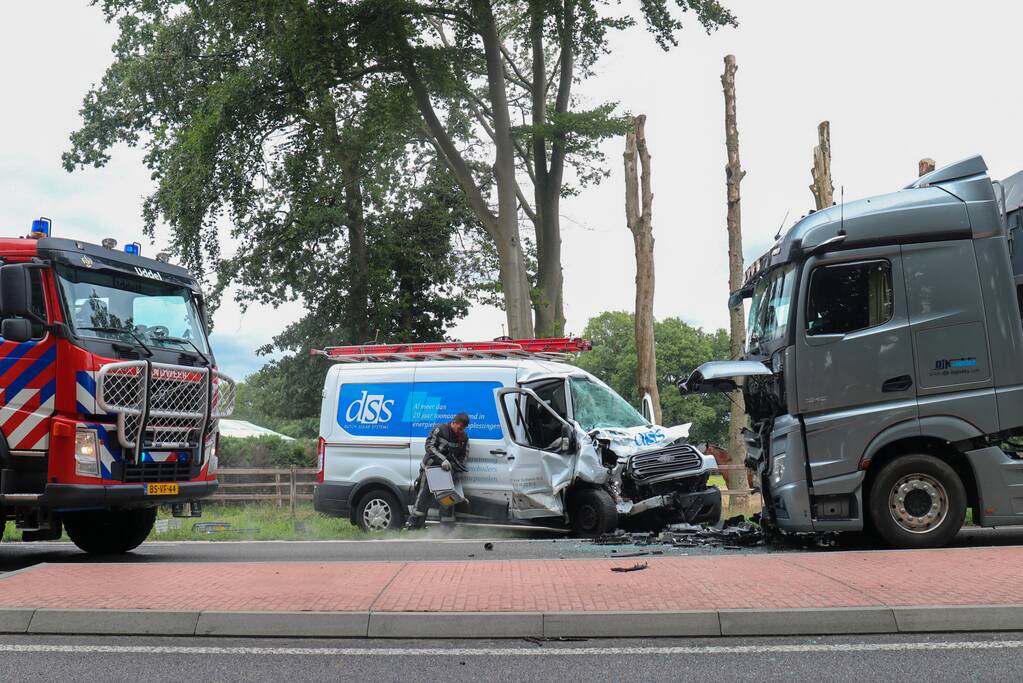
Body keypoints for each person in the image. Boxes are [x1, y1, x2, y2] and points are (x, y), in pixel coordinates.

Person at [405, 413, 470, 530]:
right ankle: (414, 525)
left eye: (463, 429)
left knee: (447, 500)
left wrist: (456, 470)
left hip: (446, 473)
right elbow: (429, 446)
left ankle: (446, 528)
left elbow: (463, 456)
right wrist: (442, 460)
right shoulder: (439, 429)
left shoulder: (464, 437)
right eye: (459, 428)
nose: (460, 431)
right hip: (430, 469)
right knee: (423, 498)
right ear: (453, 422)